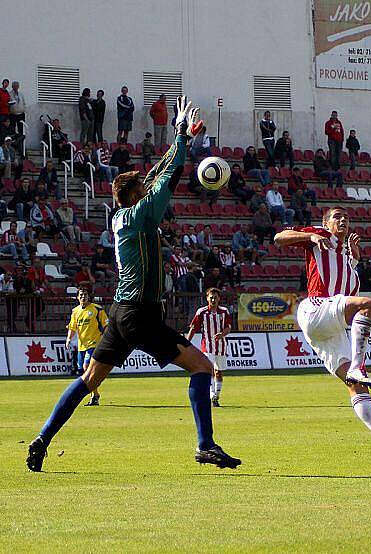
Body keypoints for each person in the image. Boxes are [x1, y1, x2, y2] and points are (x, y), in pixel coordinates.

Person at [26, 96, 241, 472]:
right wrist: (181, 137)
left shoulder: (122, 215)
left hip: (121, 311)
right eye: (142, 188)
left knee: (89, 379)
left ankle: (43, 438)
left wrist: (181, 140)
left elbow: (153, 177)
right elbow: (167, 178)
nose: (147, 188)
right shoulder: (142, 215)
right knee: (202, 367)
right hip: (140, 313)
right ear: (136, 196)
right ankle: (205, 445)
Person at [274, 207, 371, 455]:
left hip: (330, 328)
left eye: (346, 218)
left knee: (356, 386)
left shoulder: (349, 261)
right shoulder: (320, 236)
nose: (343, 220)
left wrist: (354, 258)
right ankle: (358, 366)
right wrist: (309, 236)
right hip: (316, 309)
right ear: (326, 223)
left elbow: (348, 301)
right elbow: (278, 238)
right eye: (337, 217)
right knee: (368, 304)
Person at [187, 288, 231, 407]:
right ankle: (211, 395)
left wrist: (222, 334)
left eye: (215, 297)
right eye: (211, 297)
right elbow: (193, 328)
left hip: (221, 347)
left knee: (219, 372)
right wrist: (186, 342)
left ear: (219, 299)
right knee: (209, 370)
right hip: (207, 347)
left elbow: (228, 327)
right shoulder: (201, 312)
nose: (213, 299)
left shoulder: (224, 312)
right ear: (207, 298)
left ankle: (216, 396)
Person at [66, 286, 109, 407]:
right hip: (82, 346)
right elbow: (72, 327)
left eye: (84, 295)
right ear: (77, 297)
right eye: (80, 295)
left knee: (86, 367)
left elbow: (106, 325)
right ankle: (95, 395)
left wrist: (106, 339)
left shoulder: (96, 309)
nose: (82, 297)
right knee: (84, 372)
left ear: (89, 296)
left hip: (94, 344)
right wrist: (69, 338)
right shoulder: (75, 311)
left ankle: (93, 395)